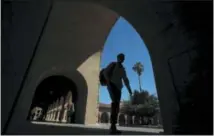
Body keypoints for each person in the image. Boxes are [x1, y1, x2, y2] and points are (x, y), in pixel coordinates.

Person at [103, 53, 132, 134]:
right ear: (118, 58)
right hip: (112, 86)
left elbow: (125, 80)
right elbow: (105, 72)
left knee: (117, 106)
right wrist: (108, 82)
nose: (122, 59)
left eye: (123, 58)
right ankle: (112, 127)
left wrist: (129, 90)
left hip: (118, 89)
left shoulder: (123, 69)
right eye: (121, 57)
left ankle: (114, 127)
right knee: (115, 104)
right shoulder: (112, 64)